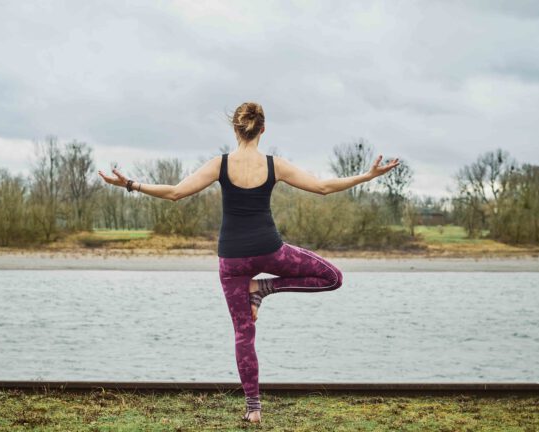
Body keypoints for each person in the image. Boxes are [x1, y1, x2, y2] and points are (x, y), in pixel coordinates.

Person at [98, 101, 399, 424]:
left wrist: (130, 184)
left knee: (244, 335)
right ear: (263, 129)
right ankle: (264, 288)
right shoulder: (274, 165)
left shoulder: (220, 164)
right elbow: (323, 188)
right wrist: (367, 176)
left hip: (231, 261)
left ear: (235, 129)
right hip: (270, 250)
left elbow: (174, 193)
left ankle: (253, 408)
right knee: (333, 277)